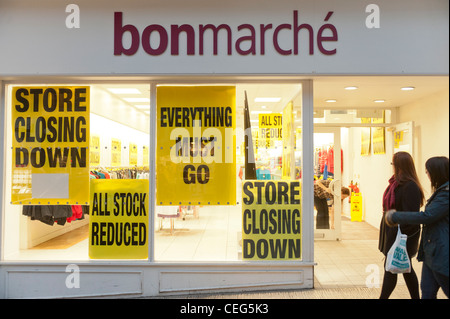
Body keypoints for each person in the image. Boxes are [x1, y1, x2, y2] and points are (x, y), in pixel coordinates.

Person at [386, 156, 449, 299]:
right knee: (426, 292)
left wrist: (395, 217)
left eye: (428, 172)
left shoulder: (446, 194)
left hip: (441, 252)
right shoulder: (441, 191)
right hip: (431, 252)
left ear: (437, 172)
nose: (427, 175)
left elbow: (427, 216)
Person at [378, 151, 425, 299]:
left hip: (401, 235)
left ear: (399, 166)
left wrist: (400, 237)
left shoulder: (409, 186)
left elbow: (410, 214)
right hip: (394, 232)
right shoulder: (396, 183)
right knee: (405, 268)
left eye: (393, 164)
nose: (392, 167)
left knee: (391, 268)